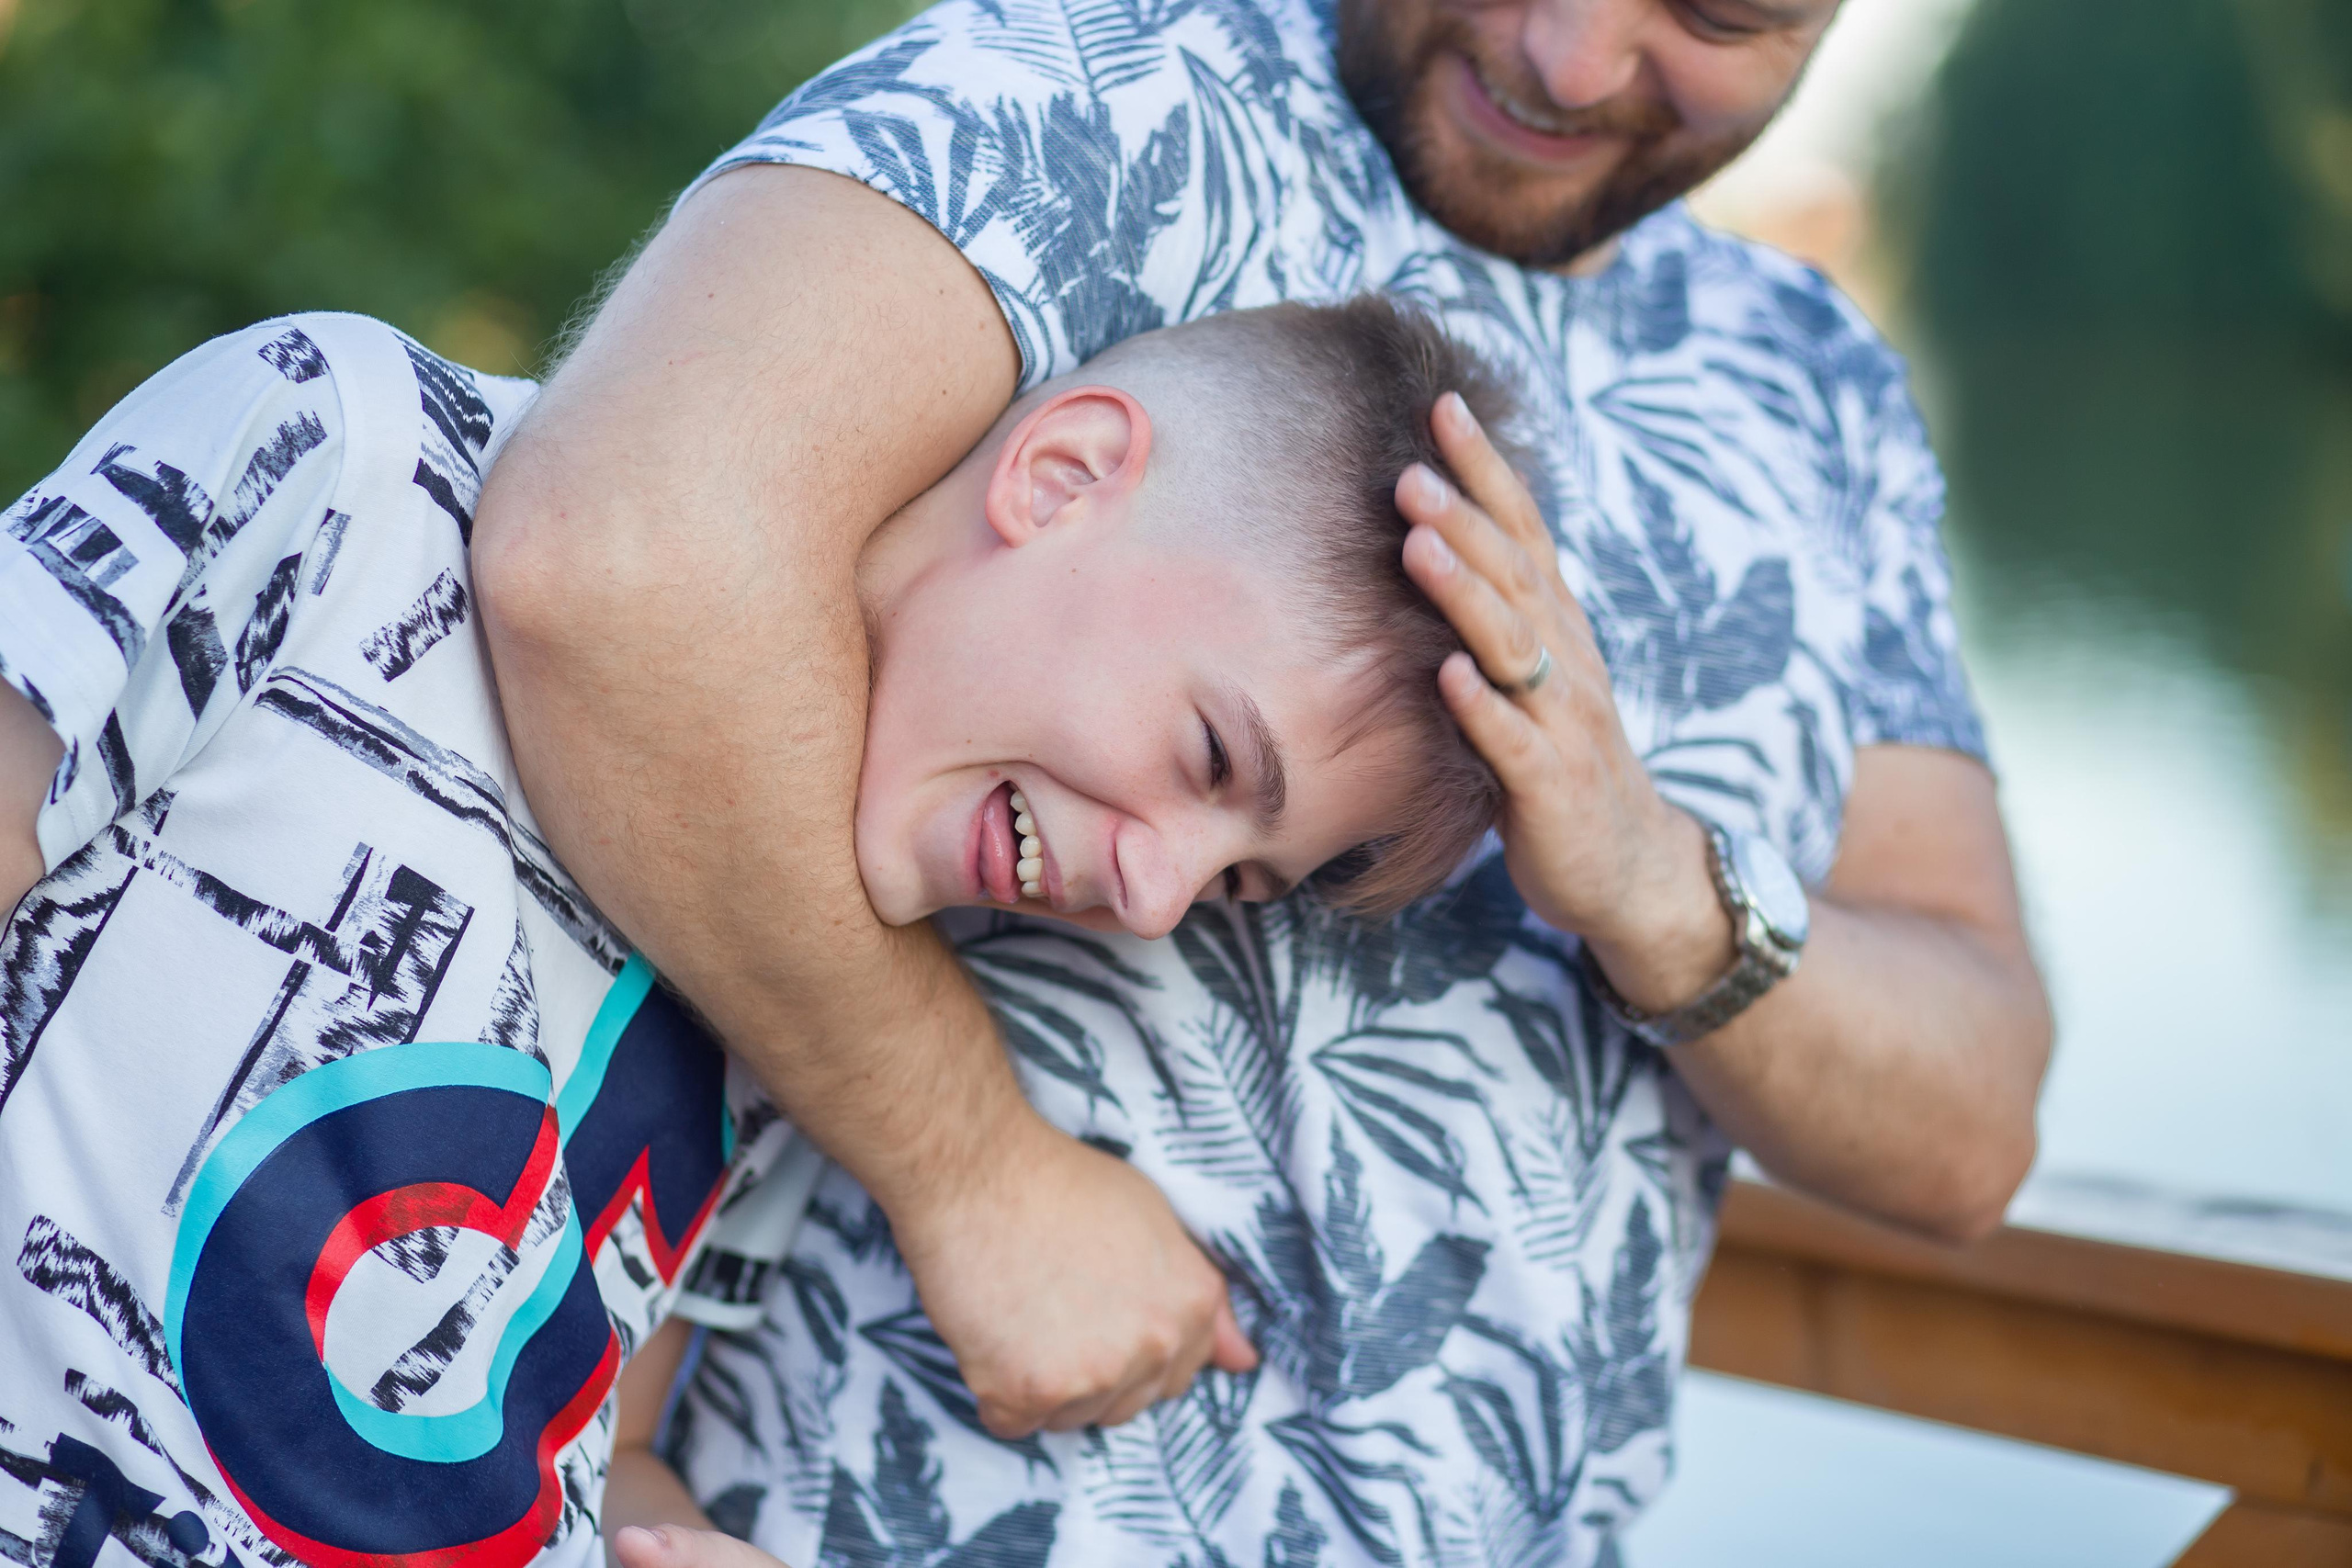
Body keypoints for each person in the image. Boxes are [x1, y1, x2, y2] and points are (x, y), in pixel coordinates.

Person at [474, 1, 2058, 1562]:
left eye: (1719, 10)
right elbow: (621, 560)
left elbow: (1972, 1127)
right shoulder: (1089, 92)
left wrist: (1652, 875)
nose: (1568, 61)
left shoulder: (1816, 382)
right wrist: (970, 1169)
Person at [0, 298, 1526, 1568]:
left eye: (1241, 881)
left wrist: (667, 1538)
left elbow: (601, 1444)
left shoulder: (832, 1008)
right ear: (1060, 476)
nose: (1155, 895)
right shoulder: (357, 463)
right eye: (1206, 759)